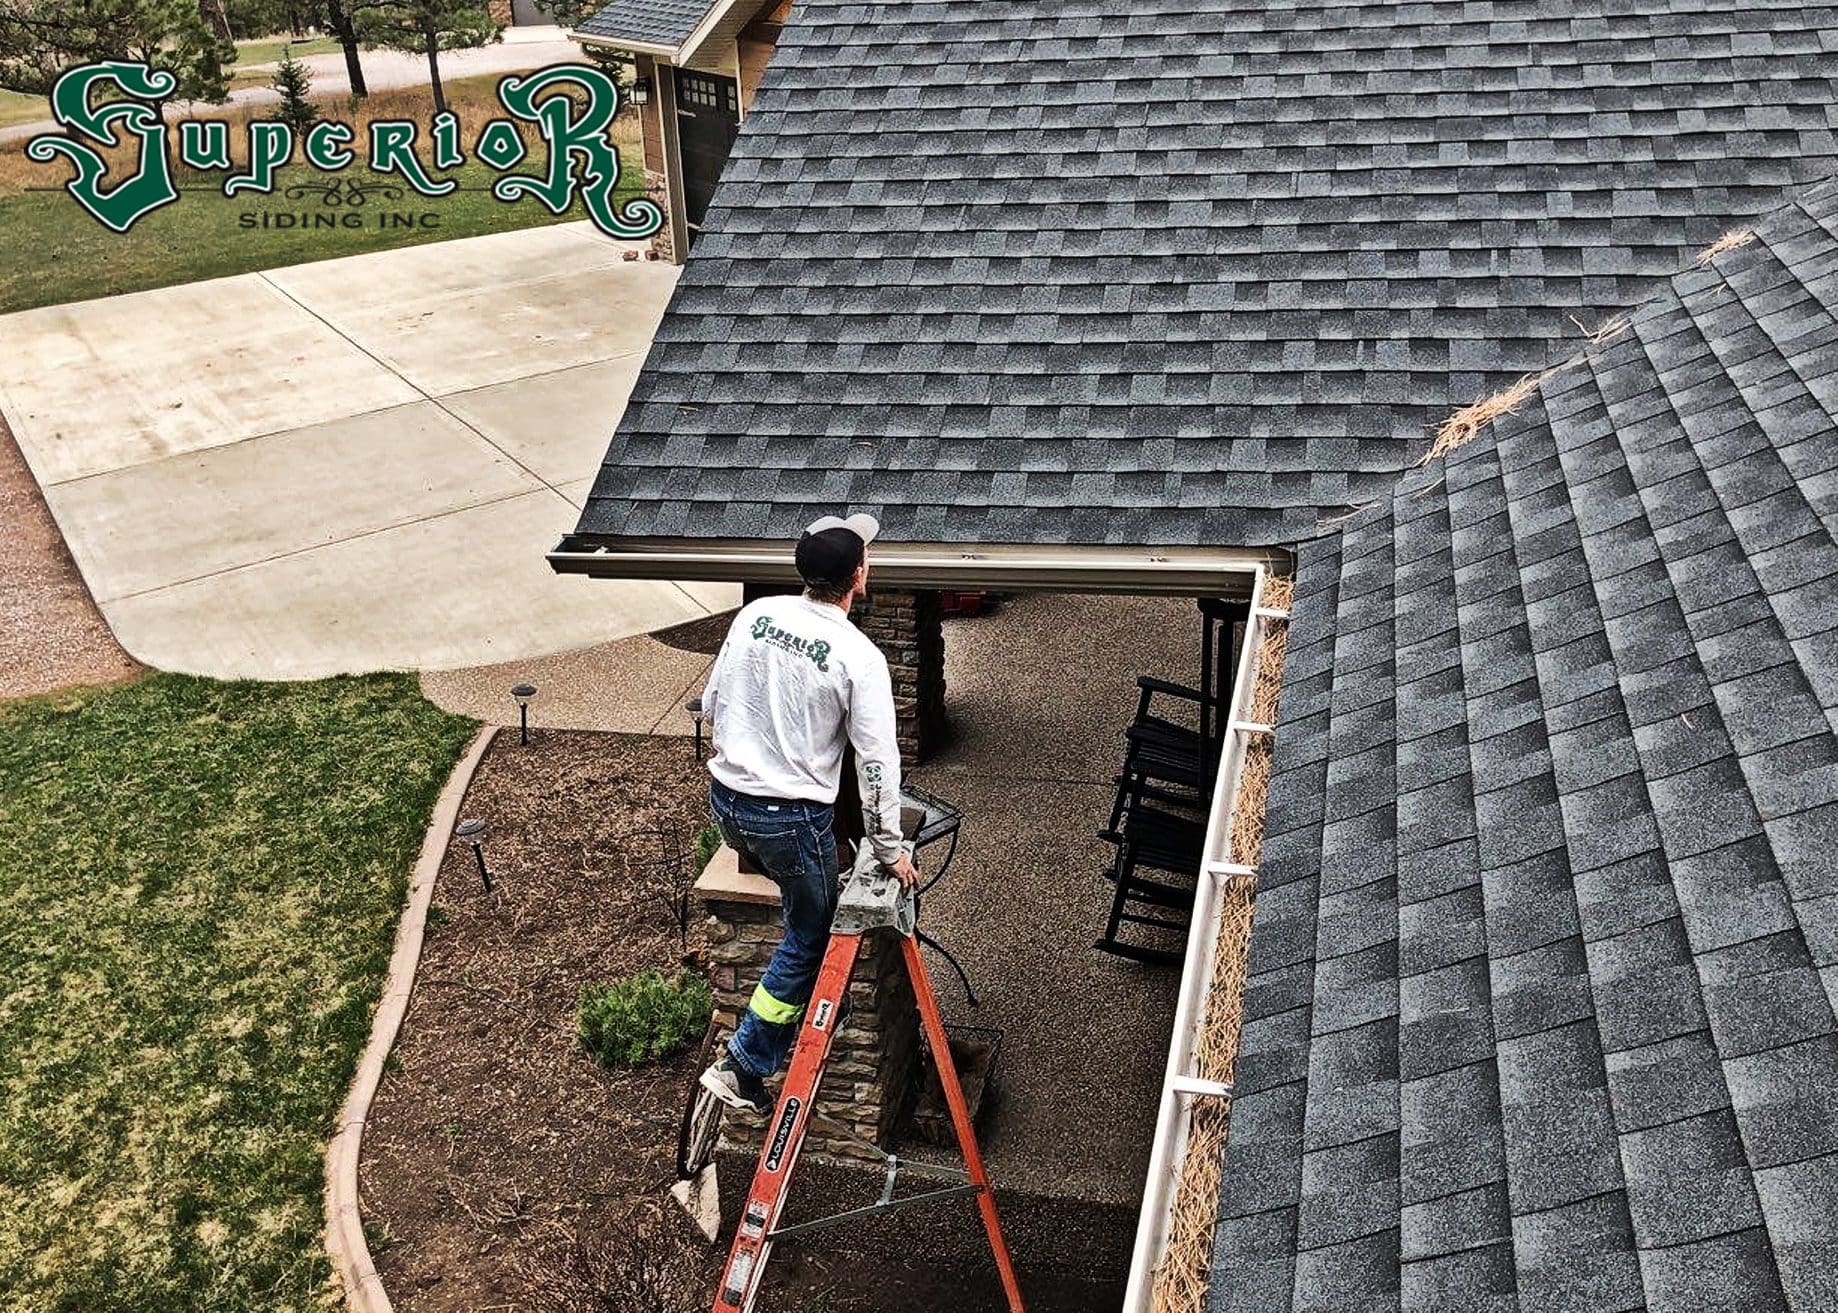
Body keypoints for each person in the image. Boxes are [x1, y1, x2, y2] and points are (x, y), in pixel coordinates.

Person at [697, 512, 920, 1115]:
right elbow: (877, 766)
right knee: (813, 930)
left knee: (809, 909)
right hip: (789, 819)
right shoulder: (858, 655)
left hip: (729, 803)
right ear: (859, 577)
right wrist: (890, 847)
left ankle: (798, 1006)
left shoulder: (755, 616)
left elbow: (714, 702)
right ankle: (745, 1065)